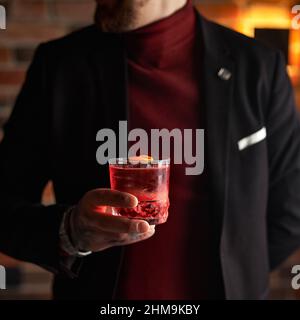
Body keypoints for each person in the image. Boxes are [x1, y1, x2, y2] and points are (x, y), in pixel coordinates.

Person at [0, 0, 300, 300]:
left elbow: (290, 211)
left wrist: (239, 273)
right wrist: (72, 232)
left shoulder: (259, 66)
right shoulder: (58, 65)